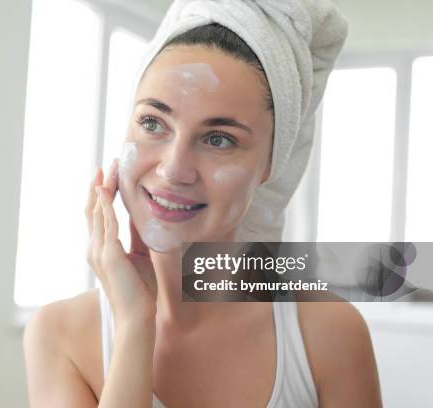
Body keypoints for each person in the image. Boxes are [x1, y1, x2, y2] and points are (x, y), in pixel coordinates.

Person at [24, 1, 383, 407]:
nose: (174, 169)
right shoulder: (59, 334)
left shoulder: (328, 332)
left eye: (219, 139)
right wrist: (134, 327)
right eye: (152, 122)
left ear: (270, 165)